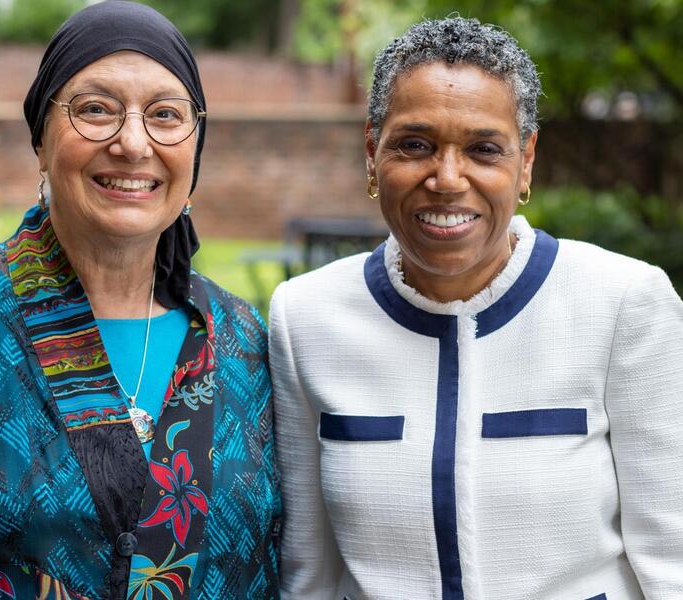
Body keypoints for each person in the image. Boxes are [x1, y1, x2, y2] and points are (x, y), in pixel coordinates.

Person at [270, 16, 683, 600]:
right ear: (371, 151)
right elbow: (308, 572)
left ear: (526, 162)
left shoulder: (621, 305)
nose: (446, 178)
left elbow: (673, 560)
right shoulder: (305, 317)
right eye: (415, 145)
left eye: (484, 149)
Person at [0, 2, 280, 598]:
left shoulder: (242, 340)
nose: (132, 144)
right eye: (96, 110)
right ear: (41, 139)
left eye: (165, 115)